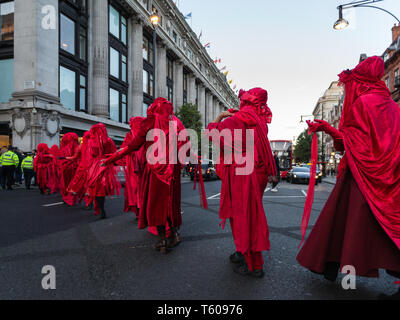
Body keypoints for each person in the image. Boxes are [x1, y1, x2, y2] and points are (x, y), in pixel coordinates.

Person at [297, 56, 400, 299]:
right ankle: (332, 265)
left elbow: (348, 143)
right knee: (383, 225)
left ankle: (331, 263)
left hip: (361, 175)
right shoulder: (393, 106)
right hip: (390, 176)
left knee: (344, 221)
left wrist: (327, 129)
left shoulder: (362, 103)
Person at [103, 98, 189, 254]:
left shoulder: (150, 122)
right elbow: (186, 148)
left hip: (155, 171)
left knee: (157, 204)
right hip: (172, 170)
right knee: (172, 203)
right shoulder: (178, 123)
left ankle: (162, 240)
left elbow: (132, 146)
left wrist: (111, 159)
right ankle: (175, 234)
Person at [206, 88, 276, 278]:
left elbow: (212, 136)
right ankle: (241, 250)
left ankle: (253, 263)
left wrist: (219, 117)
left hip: (241, 170)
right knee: (249, 214)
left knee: (242, 216)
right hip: (257, 171)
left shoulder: (236, 120)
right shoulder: (260, 121)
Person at [85, 124, 121, 219]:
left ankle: (100, 208)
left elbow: (90, 155)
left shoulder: (91, 141)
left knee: (96, 188)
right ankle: (102, 208)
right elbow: (114, 154)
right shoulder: (108, 141)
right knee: (101, 188)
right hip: (105, 165)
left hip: (95, 166)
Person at [58, 133, 80, 205]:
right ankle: (70, 198)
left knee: (66, 184)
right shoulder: (77, 147)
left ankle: (67, 198)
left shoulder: (64, 148)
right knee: (72, 184)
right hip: (73, 168)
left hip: (66, 168)